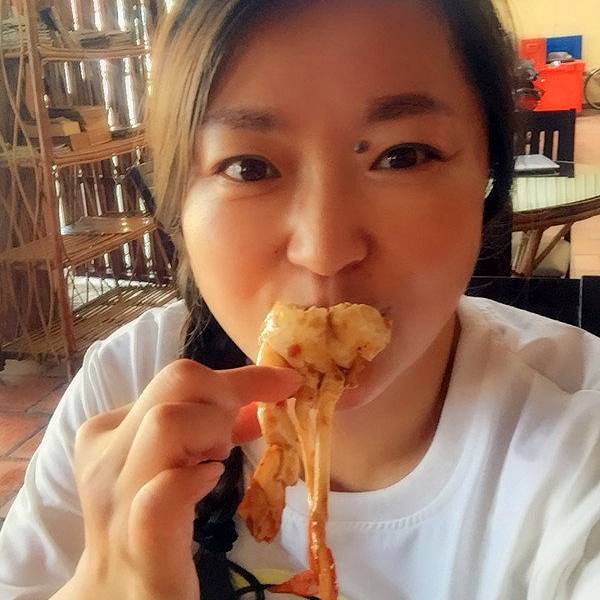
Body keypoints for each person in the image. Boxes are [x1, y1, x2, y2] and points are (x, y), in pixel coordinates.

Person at [1, 1, 599, 598]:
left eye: (403, 156)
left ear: (490, 176)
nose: (325, 250)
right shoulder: (128, 386)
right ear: (178, 203)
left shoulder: (578, 443)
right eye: (249, 167)